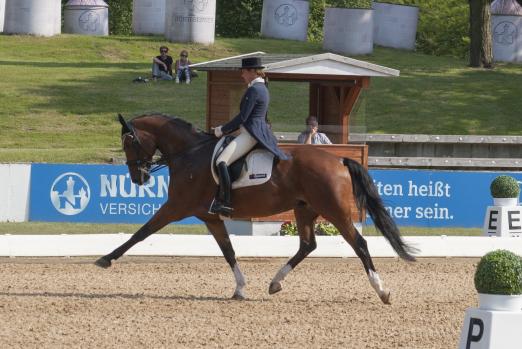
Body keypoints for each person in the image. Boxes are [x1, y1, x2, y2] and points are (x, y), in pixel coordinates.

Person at [209, 57, 289, 216]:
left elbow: (243, 117)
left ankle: (225, 202)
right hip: (251, 130)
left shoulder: (255, 89)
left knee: (221, 161)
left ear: (253, 71)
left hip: (251, 133)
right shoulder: (261, 87)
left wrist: (222, 130)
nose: (242, 75)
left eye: (244, 71)